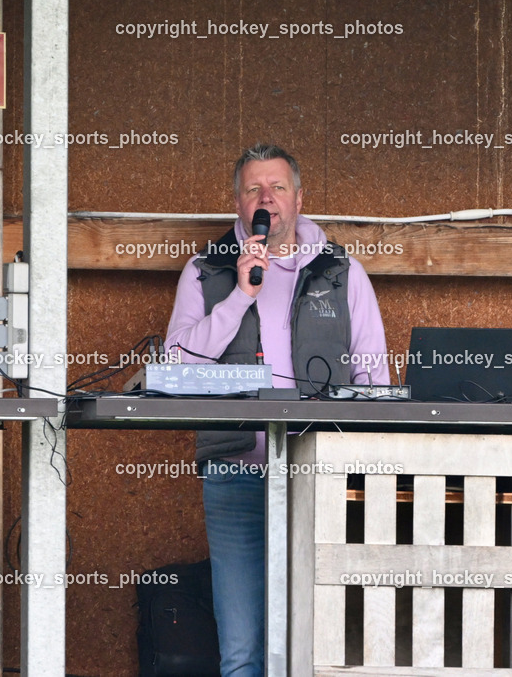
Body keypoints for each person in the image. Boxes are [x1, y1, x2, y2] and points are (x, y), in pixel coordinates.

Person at [165, 143, 389, 676]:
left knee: (324, 645)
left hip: (325, 475)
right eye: (253, 190)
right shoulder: (206, 270)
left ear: (298, 198)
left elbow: (373, 375)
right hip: (236, 472)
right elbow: (173, 369)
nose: (267, 199)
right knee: (242, 650)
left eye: (278, 188)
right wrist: (240, 294)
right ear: (239, 204)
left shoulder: (341, 272)